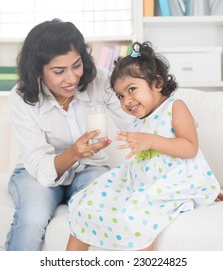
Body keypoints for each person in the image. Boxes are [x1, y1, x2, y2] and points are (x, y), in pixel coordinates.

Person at [66, 41, 221, 251]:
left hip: (173, 179)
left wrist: (150, 141)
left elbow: (189, 147)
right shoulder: (139, 120)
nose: (126, 101)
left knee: (134, 218)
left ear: (157, 84)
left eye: (131, 90)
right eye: (120, 95)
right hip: (141, 180)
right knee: (86, 204)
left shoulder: (175, 107)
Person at [5, 18, 133, 251]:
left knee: (103, 210)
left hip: (90, 167)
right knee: (32, 217)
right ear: (38, 71)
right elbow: (38, 163)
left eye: (76, 65)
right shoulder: (21, 97)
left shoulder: (101, 80)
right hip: (36, 174)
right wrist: (74, 152)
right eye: (59, 71)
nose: (72, 78)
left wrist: (189, 178)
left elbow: (137, 125)